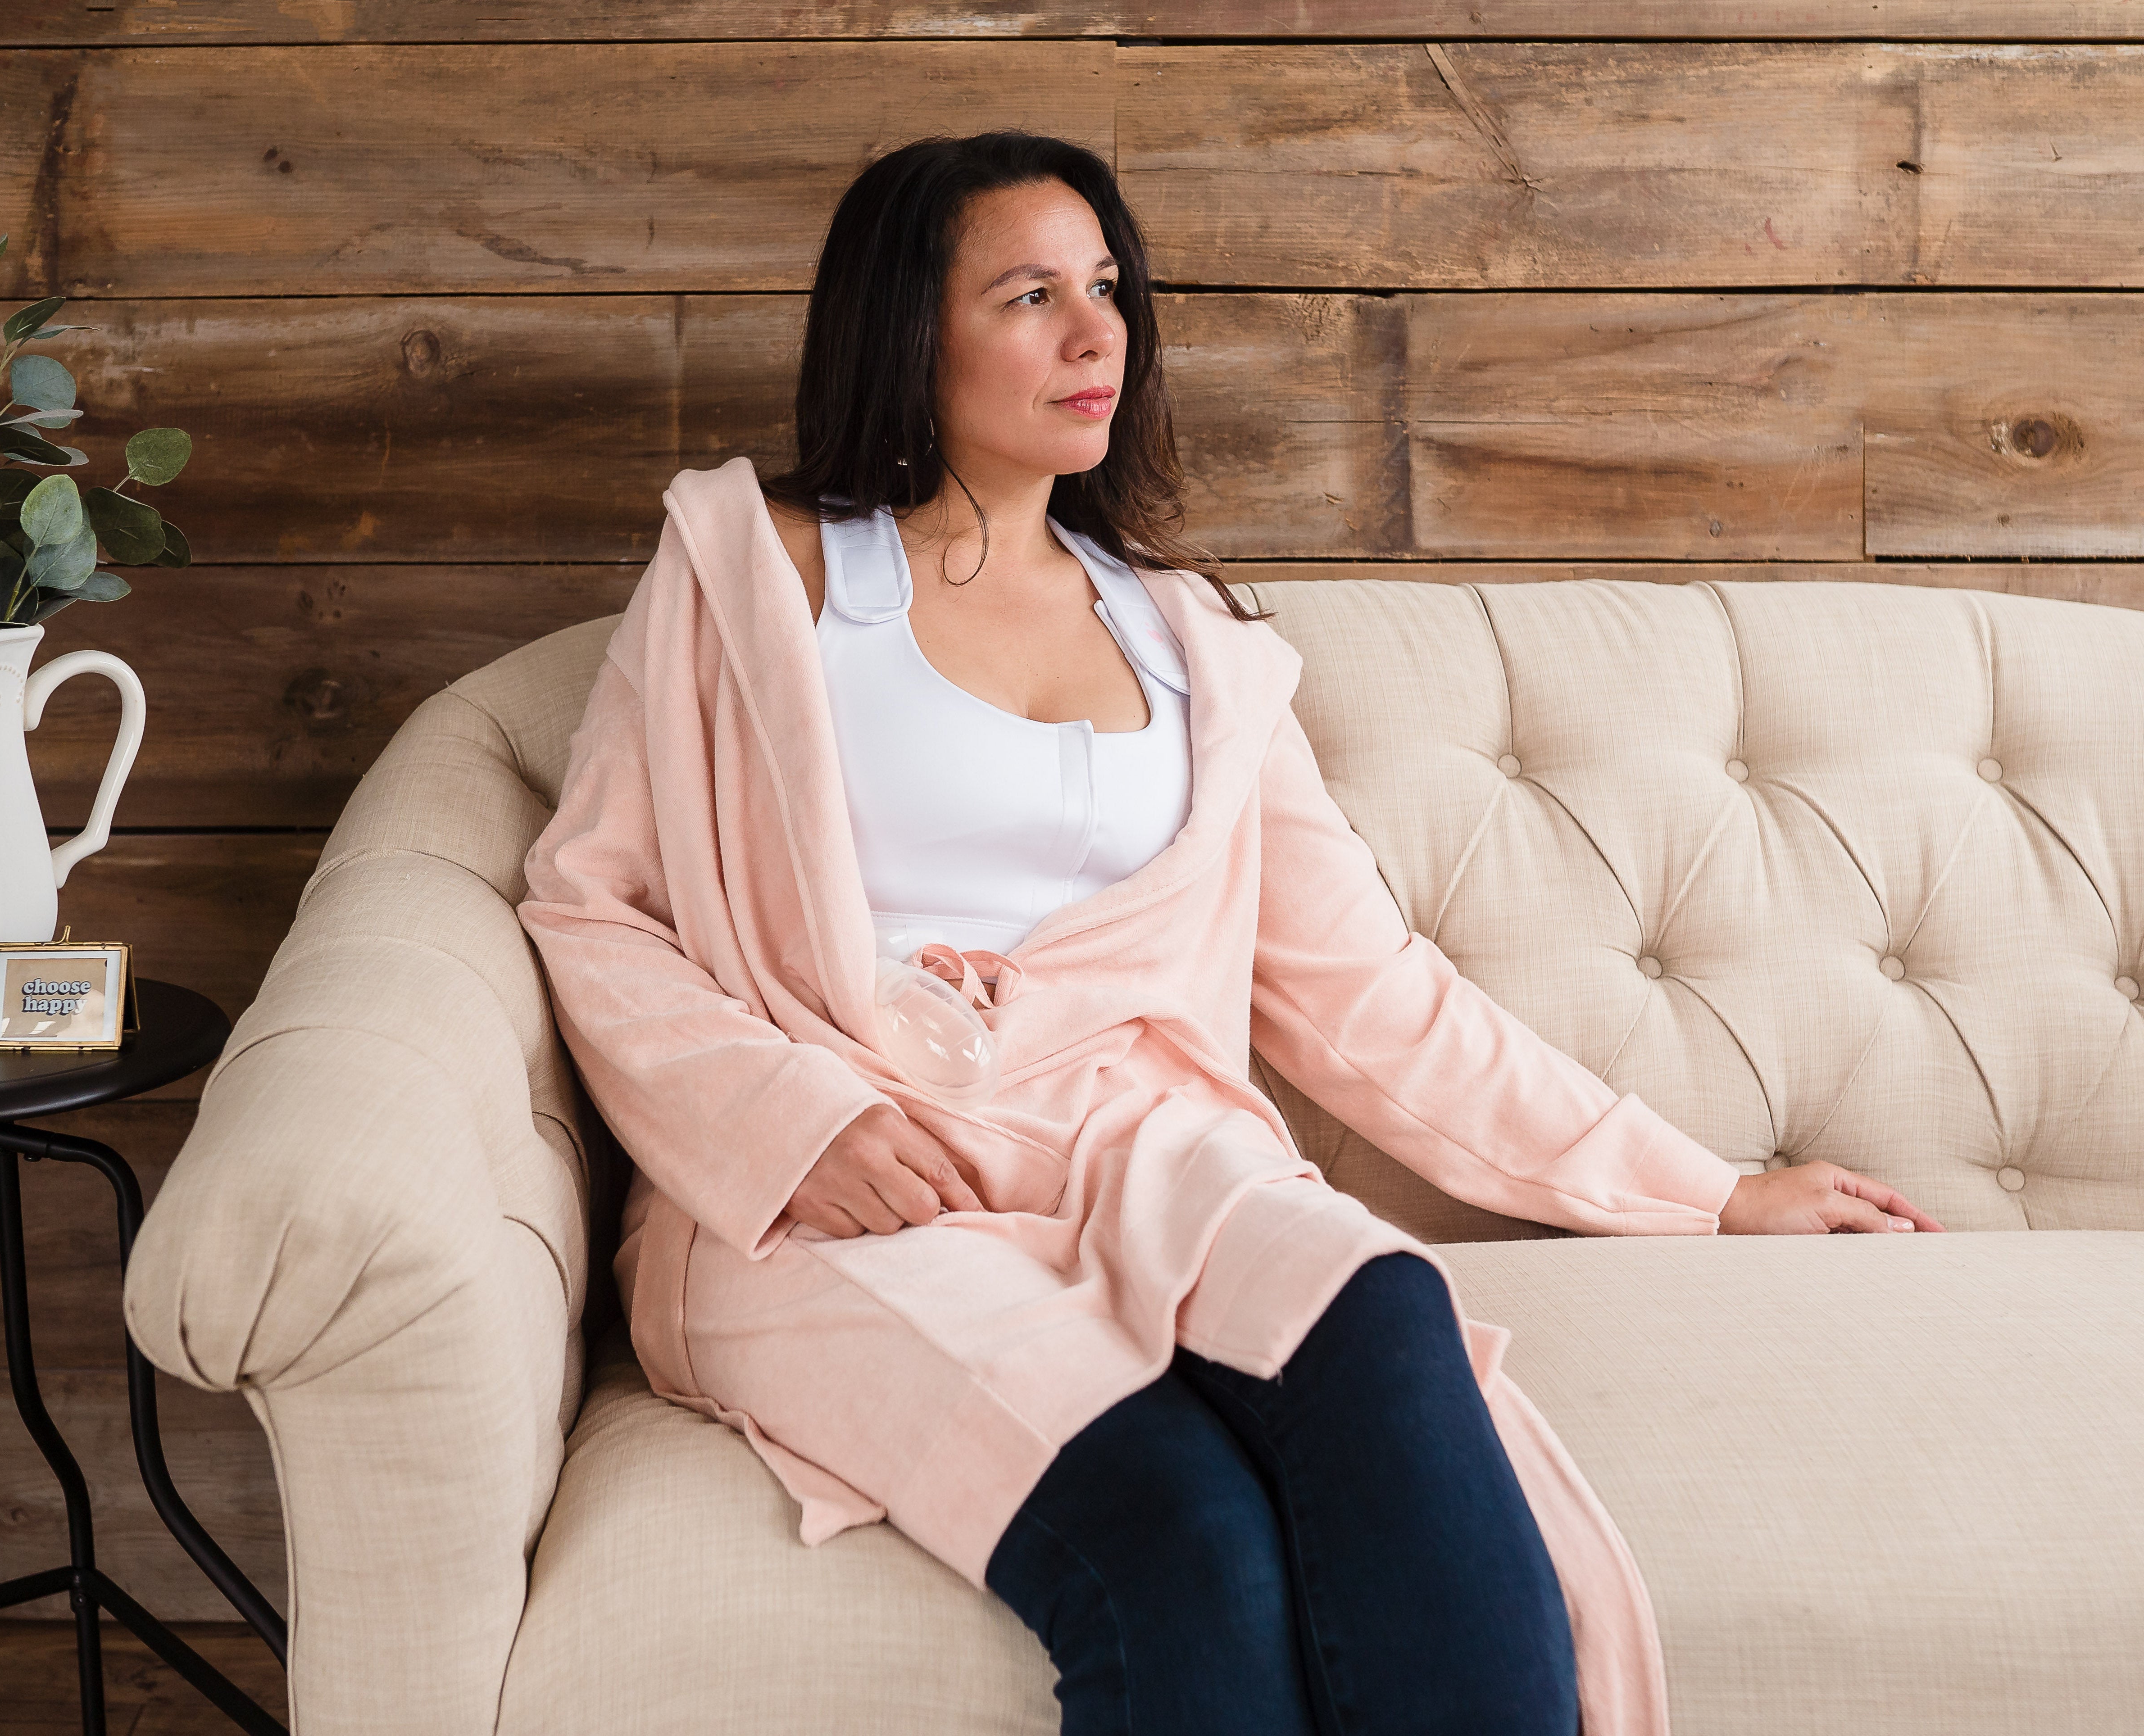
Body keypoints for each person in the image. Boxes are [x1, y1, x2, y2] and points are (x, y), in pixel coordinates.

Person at [517, 131, 1942, 1736]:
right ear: (909, 331)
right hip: (853, 1191)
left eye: (1107, 290)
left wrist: (1712, 1190)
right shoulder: (751, 570)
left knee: (1379, 1320)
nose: (1093, 335)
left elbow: (1374, 998)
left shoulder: (1188, 636)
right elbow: (595, 902)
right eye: (1030, 294)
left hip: (1145, 1149)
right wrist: (795, 1120)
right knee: (1191, 1541)